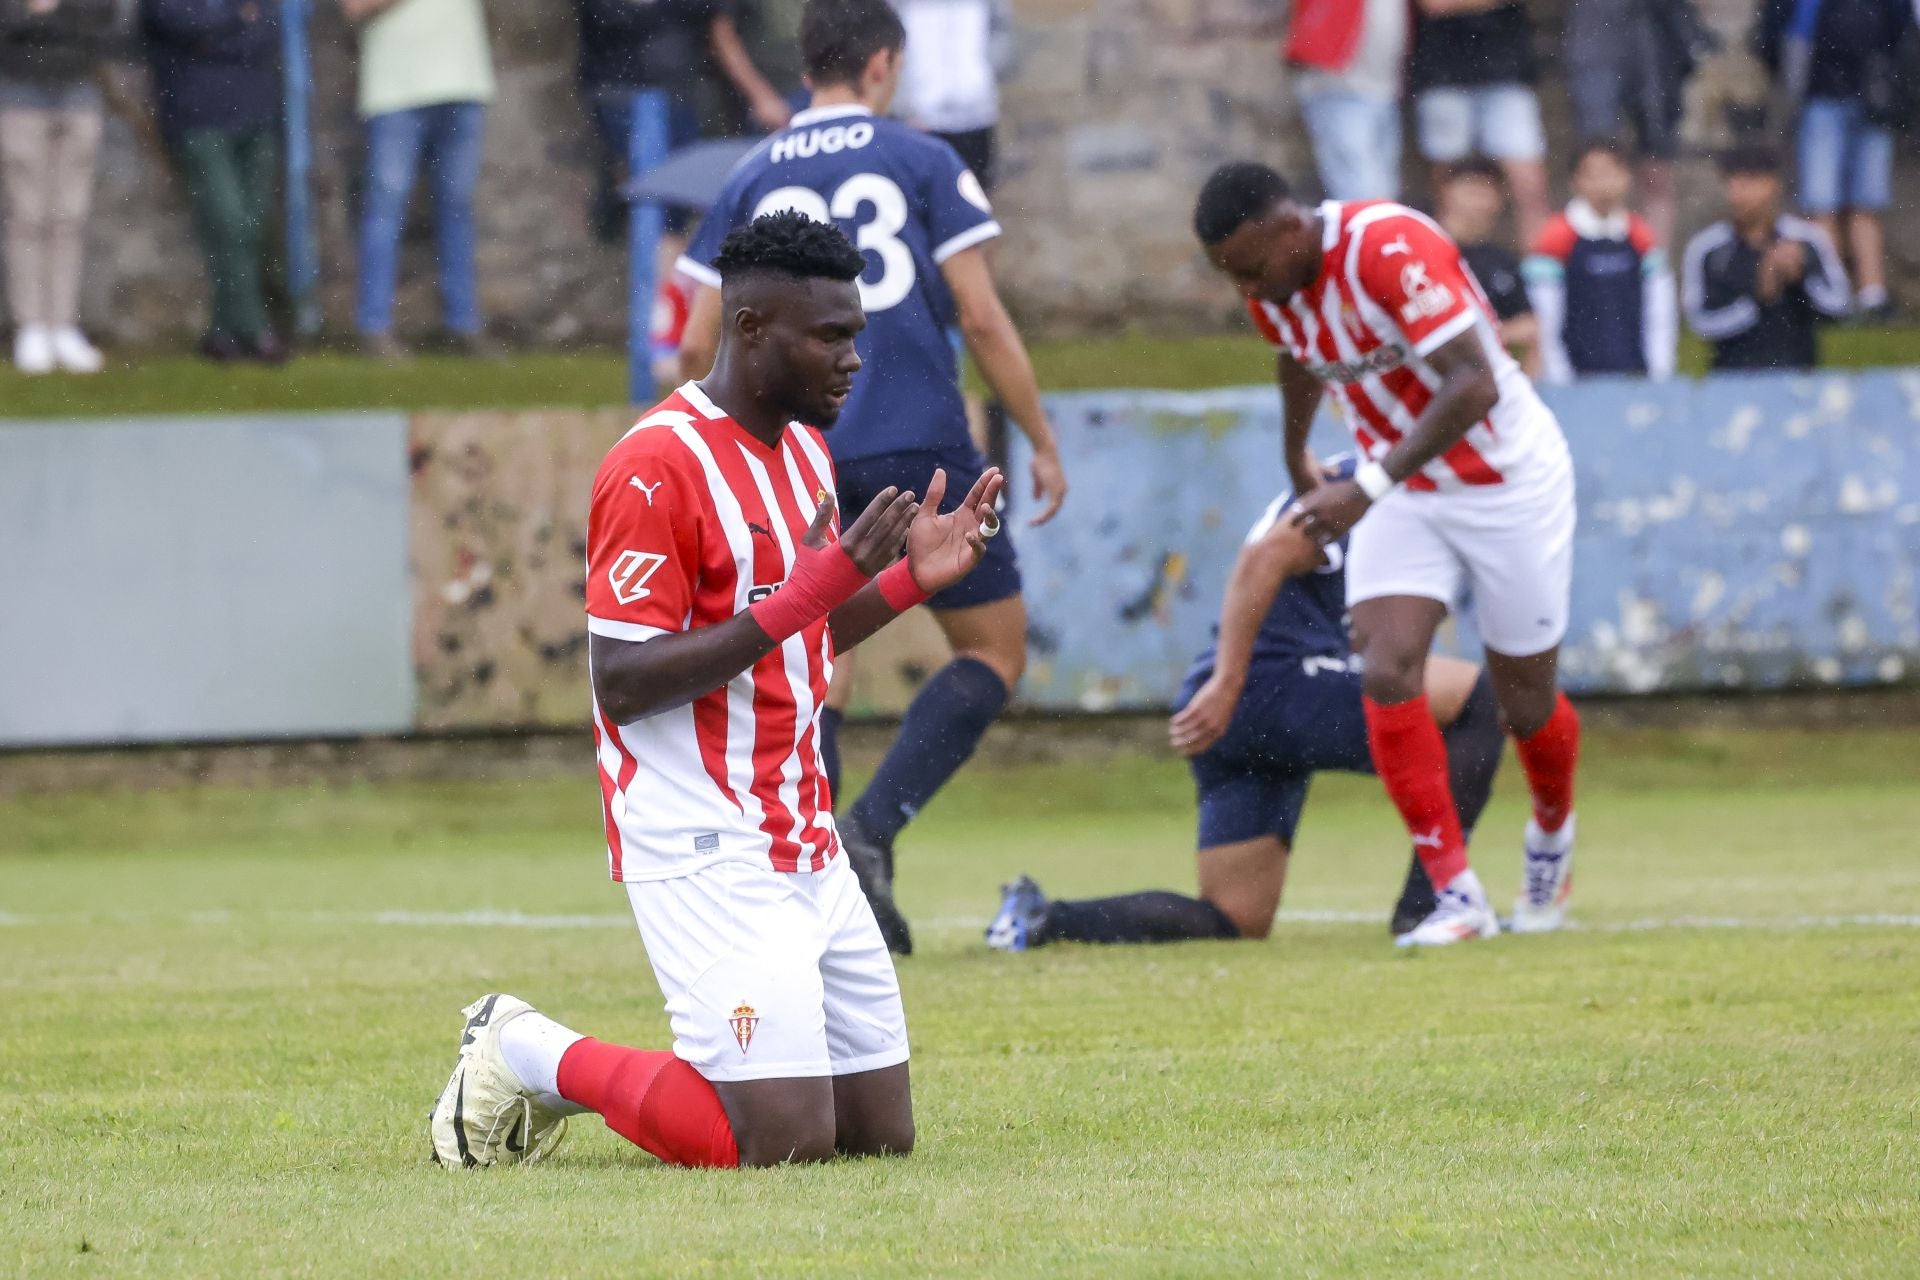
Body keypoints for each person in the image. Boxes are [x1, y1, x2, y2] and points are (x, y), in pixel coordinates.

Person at [427, 211, 1005, 1170]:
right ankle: (524, 1049)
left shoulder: (807, 454)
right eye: (829, 336)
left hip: (802, 833)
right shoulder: (655, 467)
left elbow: (798, 634)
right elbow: (622, 682)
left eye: (855, 334)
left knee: (875, 1138)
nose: (853, 358)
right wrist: (815, 589)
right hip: (701, 836)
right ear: (748, 330)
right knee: (777, 1143)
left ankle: (553, 1055)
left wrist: (907, 583)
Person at [677, 0, 1069, 957]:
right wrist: (1040, 436)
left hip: (800, 453)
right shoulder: (924, 157)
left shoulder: (750, 173)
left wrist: (723, 457)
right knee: (992, 653)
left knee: (821, 659)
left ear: (807, 63)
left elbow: (694, 338)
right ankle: (872, 828)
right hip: (918, 440)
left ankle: (808, 875)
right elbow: (978, 314)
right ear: (886, 63)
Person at [1192, 162, 1583, 949]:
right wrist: (1295, 454)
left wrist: (1363, 485)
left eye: (1254, 268)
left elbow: (1474, 384)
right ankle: (1457, 896)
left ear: (1290, 227)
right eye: (1234, 276)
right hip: (1407, 490)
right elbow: (1298, 355)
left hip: (1505, 479)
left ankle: (1550, 838)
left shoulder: (1387, 247)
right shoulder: (1270, 281)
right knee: (1386, 665)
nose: (1251, 290)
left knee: (1524, 702)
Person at [986, 461, 1507, 951]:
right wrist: (1231, 683)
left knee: (1234, 918)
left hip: (1249, 704)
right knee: (1480, 701)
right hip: (1268, 686)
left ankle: (1042, 919)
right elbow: (1265, 557)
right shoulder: (1358, 481)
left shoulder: (1387, 484)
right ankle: (1431, 904)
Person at [343, 0, 496, 360]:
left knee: (458, 210)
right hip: (396, 92)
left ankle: (463, 325)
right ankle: (374, 327)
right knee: (385, 210)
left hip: (463, 83)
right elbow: (354, 8)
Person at [573, 0, 792, 245]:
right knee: (650, 203)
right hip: (622, 98)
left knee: (672, 210)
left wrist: (760, 95)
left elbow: (719, 32)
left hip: (677, 99)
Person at [140, 0, 287, 363]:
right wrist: (236, 19)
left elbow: (267, 33)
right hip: (200, 116)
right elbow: (178, 24)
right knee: (228, 222)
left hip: (256, 112)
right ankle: (255, 328)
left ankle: (222, 332)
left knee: (250, 227)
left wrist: (217, 34)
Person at [1755, 0, 1911, 323]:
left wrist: (1888, 82)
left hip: (1873, 97)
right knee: (1821, 203)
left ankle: (1872, 296)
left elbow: (1902, 28)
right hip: (1819, 98)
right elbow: (1776, 32)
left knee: (1867, 201)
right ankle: (1829, 294)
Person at [0, 0, 123, 374]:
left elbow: (105, 20)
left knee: (69, 218)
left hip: (78, 98)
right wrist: (35, 17)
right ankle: (31, 326)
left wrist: (49, 14)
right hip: (18, 99)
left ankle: (63, 325)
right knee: (26, 216)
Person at [1681, 144, 1851, 372]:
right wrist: (1757, 296)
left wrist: (1802, 278)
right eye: (1731, 181)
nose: (1738, 191)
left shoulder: (1808, 239)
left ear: (1773, 184)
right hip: (1732, 380)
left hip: (1799, 376)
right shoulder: (1706, 249)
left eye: (1749, 181)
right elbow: (1699, 322)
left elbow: (1840, 305)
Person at [1563, 0, 1715, 253]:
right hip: (1596, 33)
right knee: (1596, 164)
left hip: (1657, 37)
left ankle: (1654, 272)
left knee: (1657, 166)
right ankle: (1594, 267)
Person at [1524, 141, 1677, 384]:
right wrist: (1561, 381)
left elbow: (1660, 315)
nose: (1603, 183)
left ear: (1627, 177)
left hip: (1635, 378)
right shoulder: (1556, 237)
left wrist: (1659, 376)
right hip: (1576, 380)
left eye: (1611, 172)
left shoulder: (1641, 236)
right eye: (1592, 174)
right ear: (1575, 182)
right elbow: (1546, 322)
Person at [1406, 0, 1549, 247]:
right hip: (1442, 70)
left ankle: (1542, 279)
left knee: (1529, 186)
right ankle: (1446, 269)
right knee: (1448, 190)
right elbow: (1435, 5)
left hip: (1507, 70)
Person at [1283, 0, 1407, 202]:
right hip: (1338, 86)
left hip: (1385, 88)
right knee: (1360, 186)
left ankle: (1380, 231)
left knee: (1384, 185)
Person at [1435, 157, 1537, 376]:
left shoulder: (1502, 260)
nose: (1477, 199)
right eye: (1470, 187)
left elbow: (1528, 327)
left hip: (1491, 380)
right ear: (1446, 192)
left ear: (1499, 199)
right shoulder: (1425, 249)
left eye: (1486, 189)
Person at [892, 0, 1008, 190]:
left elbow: (1001, 30)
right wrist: (903, 104)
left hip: (975, 116)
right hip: (919, 118)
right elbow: (889, 41)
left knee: (975, 196)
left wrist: (983, 76)